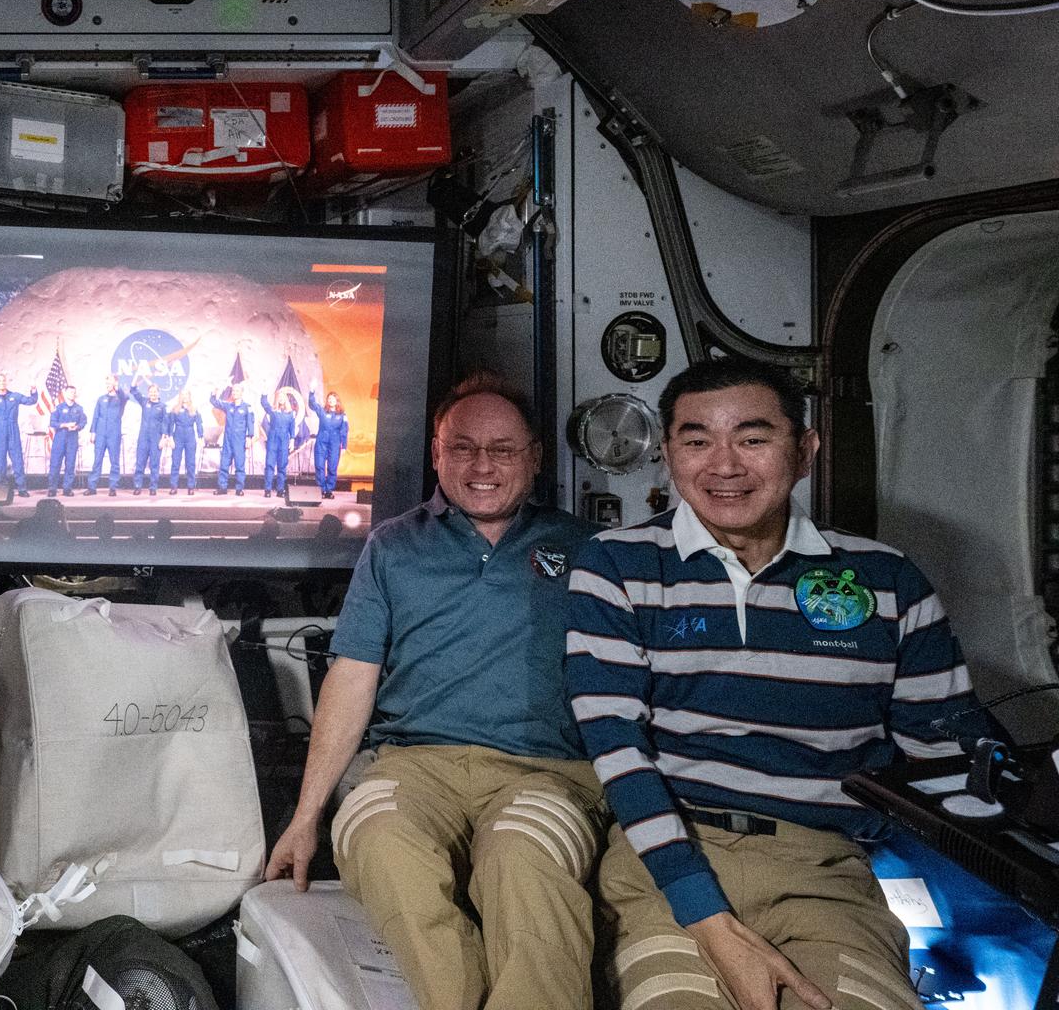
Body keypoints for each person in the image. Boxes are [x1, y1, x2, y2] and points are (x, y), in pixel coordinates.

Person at [568, 359, 986, 1010]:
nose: (724, 465)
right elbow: (619, 752)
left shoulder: (886, 582)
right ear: (670, 455)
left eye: (753, 438)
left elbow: (946, 766)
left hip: (823, 874)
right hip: (663, 865)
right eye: (697, 440)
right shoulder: (616, 567)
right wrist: (708, 918)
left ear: (804, 452)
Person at [266, 371, 603, 1010]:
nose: (482, 465)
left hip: (548, 773)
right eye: (462, 448)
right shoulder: (393, 545)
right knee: (377, 837)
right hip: (415, 767)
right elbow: (352, 676)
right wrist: (306, 817)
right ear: (436, 453)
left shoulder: (590, 549)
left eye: (502, 450)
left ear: (534, 458)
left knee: (522, 857)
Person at [0, 373, 41, 498]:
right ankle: (1, 488)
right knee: (0, 460)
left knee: (17, 459)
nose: (2, 382)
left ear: (6, 382)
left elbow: (31, 401)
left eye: (3, 380)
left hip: (12, 429)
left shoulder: (14, 396)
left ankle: (21, 488)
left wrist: (33, 389)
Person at [86, 373, 129, 496]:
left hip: (114, 433)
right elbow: (96, 415)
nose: (107, 385)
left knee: (114, 461)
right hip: (100, 433)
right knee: (97, 460)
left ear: (115, 383)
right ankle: (92, 487)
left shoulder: (121, 398)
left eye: (110, 382)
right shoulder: (101, 399)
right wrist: (93, 432)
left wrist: (116, 387)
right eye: (106, 383)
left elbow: (124, 396)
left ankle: (113, 487)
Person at [212, 382, 256, 495]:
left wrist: (249, 437)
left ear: (242, 393)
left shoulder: (247, 407)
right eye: (233, 391)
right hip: (228, 440)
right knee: (224, 463)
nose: (235, 393)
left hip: (239, 440)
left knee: (240, 464)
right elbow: (214, 402)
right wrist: (214, 393)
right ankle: (222, 487)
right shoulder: (228, 405)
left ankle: (239, 489)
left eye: (237, 391)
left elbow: (250, 423)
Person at [128, 377, 170, 495]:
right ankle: (137, 486)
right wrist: (138, 377)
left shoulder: (162, 406)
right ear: (148, 393)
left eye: (155, 392)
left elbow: (165, 424)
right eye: (151, 392)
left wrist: (163, 438)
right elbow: (133, 390)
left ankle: (153, 488)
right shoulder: (145, 402)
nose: (153, 394)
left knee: (154, 464)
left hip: (156, 439)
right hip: (143, 438)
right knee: (140, 463)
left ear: (158, 393)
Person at [307, 387, 349, 500]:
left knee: (332, 467)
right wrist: (311, 392)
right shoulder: (322, 411)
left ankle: (329, 490)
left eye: (333, 399)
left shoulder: (342, 415)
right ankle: (321, 489)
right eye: (329, 398)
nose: (330, 400)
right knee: (319, 466)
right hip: (321, 442)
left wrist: (344, 446)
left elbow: (344, 431)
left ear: (337, 401)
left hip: (335, 444)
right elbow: (312, 404)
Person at [46, 385, 87, 497]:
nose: (72, 394)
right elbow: (52, 423)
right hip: (59, 438)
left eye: (74, 392)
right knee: (55, 464)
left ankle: (67, 488)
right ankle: (52, 489)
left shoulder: (79, 409)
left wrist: (77, 427)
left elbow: (83, 422)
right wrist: (65, 425)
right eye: (69, 392)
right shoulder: (58, 408)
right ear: (65, 393)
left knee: (70, 465)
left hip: (72, 439)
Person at [259, 389, 300, 499]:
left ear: (286, 400)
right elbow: (264, 403)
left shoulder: (291, 414)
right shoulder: (272, 411)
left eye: (283, 397)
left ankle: (280, 490)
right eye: (279, 397)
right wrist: (264, 391)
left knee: (282, 466)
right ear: (277, 399)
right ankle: (267, 490)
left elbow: (292, 428)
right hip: (273, 440)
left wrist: (292, 440)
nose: (281, 399)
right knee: (270, 465)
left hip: (284, 441)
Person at [165, 391, 203, 494]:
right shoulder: (175, 409)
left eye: (187, 395)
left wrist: (200, 437)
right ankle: (174, 486)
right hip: (178, 435)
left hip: (190, 436)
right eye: (183, 395)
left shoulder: (194, 409)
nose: (185, 397)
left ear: (189, 397)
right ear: (180, 397)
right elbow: (170, 424)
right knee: (175, 462)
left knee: (190, 463)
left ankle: (191, 487)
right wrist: (170, 438)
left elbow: (199, 423)